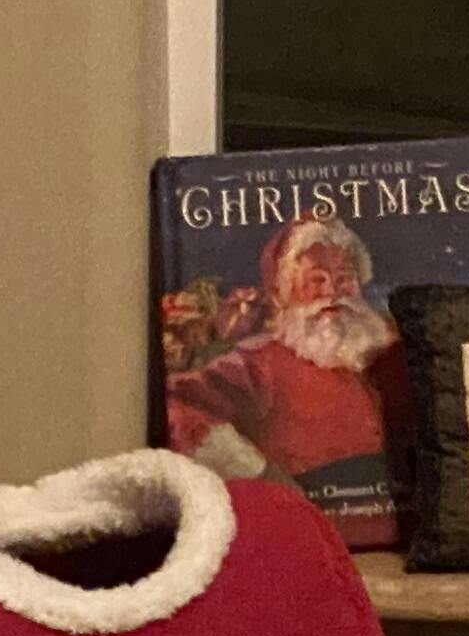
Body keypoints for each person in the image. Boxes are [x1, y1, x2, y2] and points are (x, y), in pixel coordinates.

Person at [167, 213, 400, 534]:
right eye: (316, 280)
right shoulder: (257, 365)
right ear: (281, 296)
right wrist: (256, 471)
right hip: (308, 536)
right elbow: (176, 404)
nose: (333, 292)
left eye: (345, 277)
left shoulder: (391, 348)